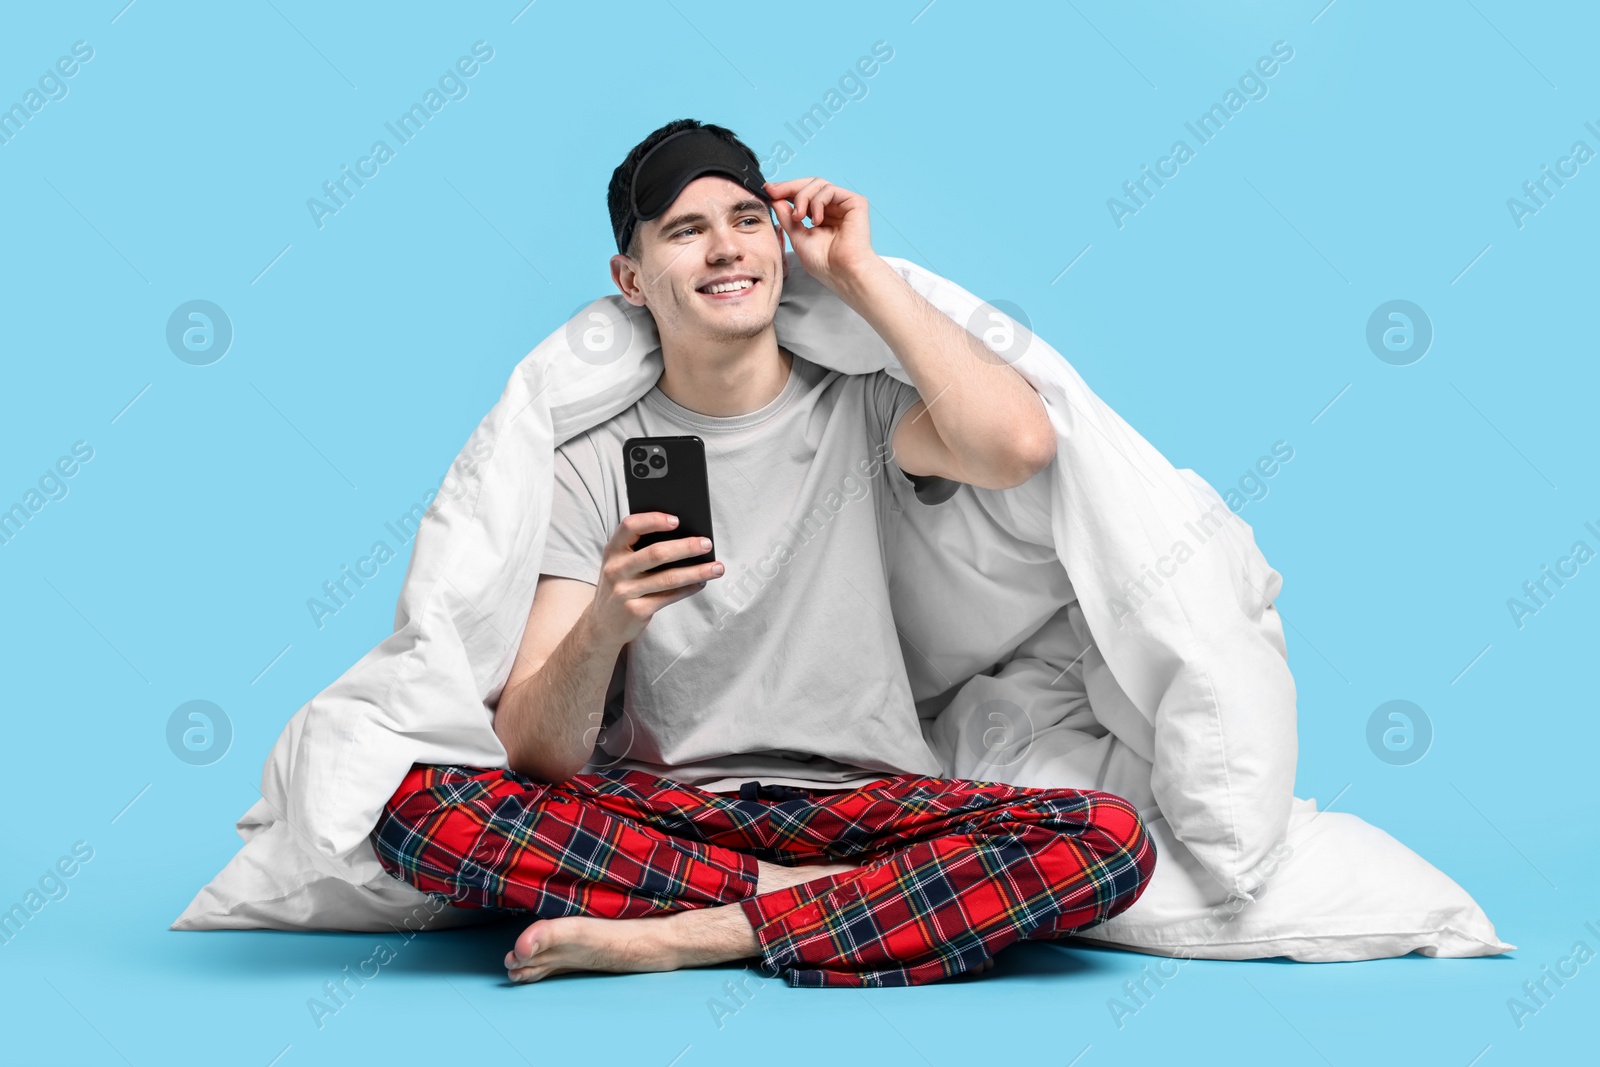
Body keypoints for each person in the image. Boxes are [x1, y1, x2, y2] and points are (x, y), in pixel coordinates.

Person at [370, 118, 1155, 988]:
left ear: (779, 250)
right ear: (630, 280)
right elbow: (537, 751)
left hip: (868, 805)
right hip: (669, 812)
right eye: (685, 230)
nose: (724, 249)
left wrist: (860, 273)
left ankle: (696, 932)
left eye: (748, 220)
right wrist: (603, 624)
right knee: (416, 810)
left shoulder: (862, 410)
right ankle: (820, 903)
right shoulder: (589, 460)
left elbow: (1017, 444)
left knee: (1107, 840)